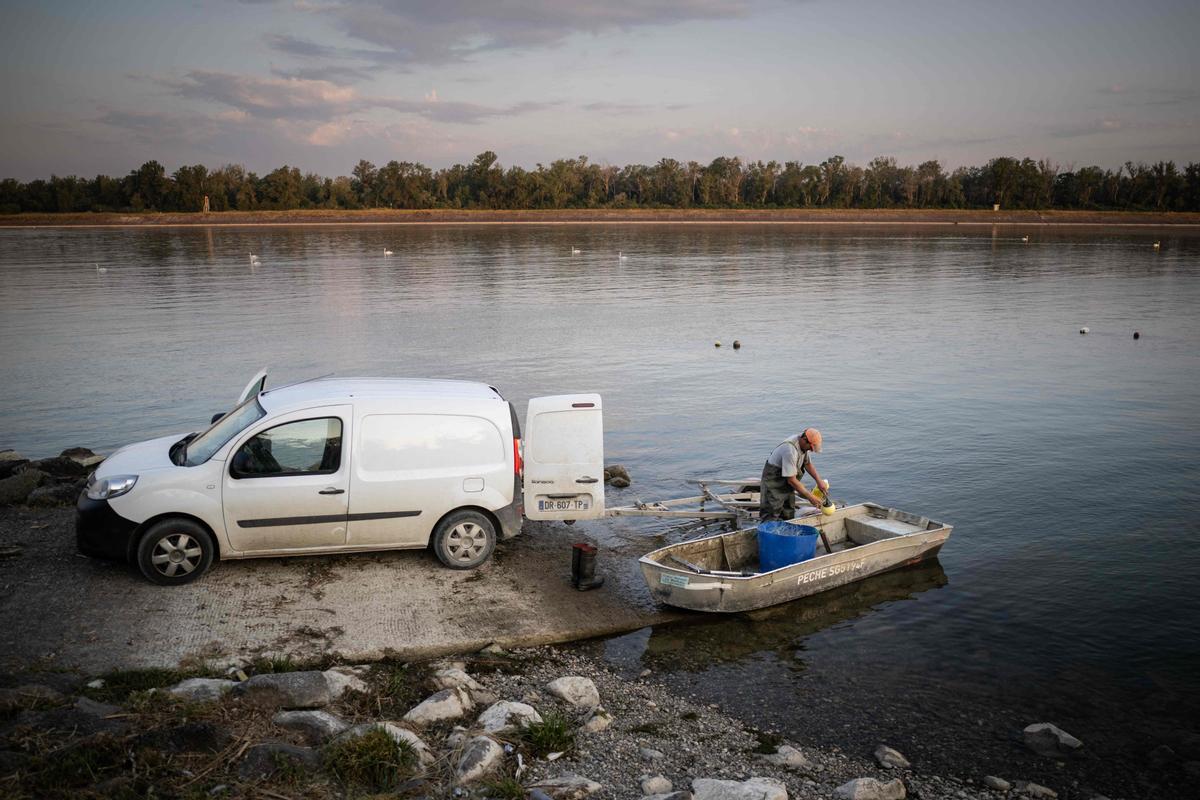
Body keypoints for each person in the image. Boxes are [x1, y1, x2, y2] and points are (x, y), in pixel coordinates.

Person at [759, 428, 828, 521]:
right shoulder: (790, 450)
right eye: (810, 448)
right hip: (773, 482)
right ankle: (768, 534)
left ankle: (785, 532)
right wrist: (810, 497)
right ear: (804, 440)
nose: (811, 450)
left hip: (787, 485)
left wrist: (819, 481)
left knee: (788, 512)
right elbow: (791, 480)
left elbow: (807, 464)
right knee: (771, 513)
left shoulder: (803, 446)